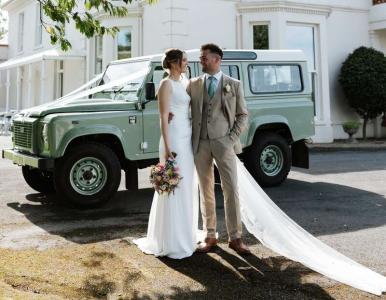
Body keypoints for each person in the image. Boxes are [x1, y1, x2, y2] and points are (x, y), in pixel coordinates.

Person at [134, 45, 386, 296]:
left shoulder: (233, 83)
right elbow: (177, 107)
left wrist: (231, 138)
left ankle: (235, 237)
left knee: (231, 190)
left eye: (203, 58)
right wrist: (169, 125)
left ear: (216, 59)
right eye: (195, 58)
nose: (199, 61)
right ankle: (210, 235)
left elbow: (243, 115)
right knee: (204, 189)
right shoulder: (192, 83)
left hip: (223, 145)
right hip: (196, 145)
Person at [133, 48, 199, 259]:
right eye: (184, 61)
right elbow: (162, 117)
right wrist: (168, 148)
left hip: (186, 137)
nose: (187, 64)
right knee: (174, 186)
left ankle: (185, 234)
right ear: (174, 63)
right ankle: (171, 240)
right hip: (173, 139)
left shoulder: (185, 82)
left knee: (187, 185)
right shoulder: (165, 84)